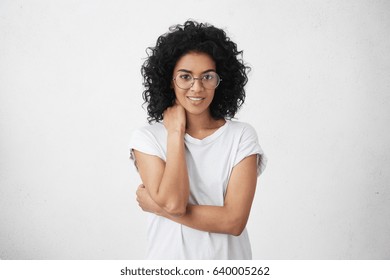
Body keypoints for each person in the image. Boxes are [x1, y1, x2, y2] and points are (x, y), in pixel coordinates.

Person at [129, 20, 267, 259]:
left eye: (207, 77)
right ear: (169, 80)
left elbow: (234, 221)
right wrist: (175, 133)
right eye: (185, 76)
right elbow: (174, 202)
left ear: (220, 80)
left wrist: (157, 207)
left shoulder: (241, 136)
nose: (197, 87)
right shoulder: (147, 138)